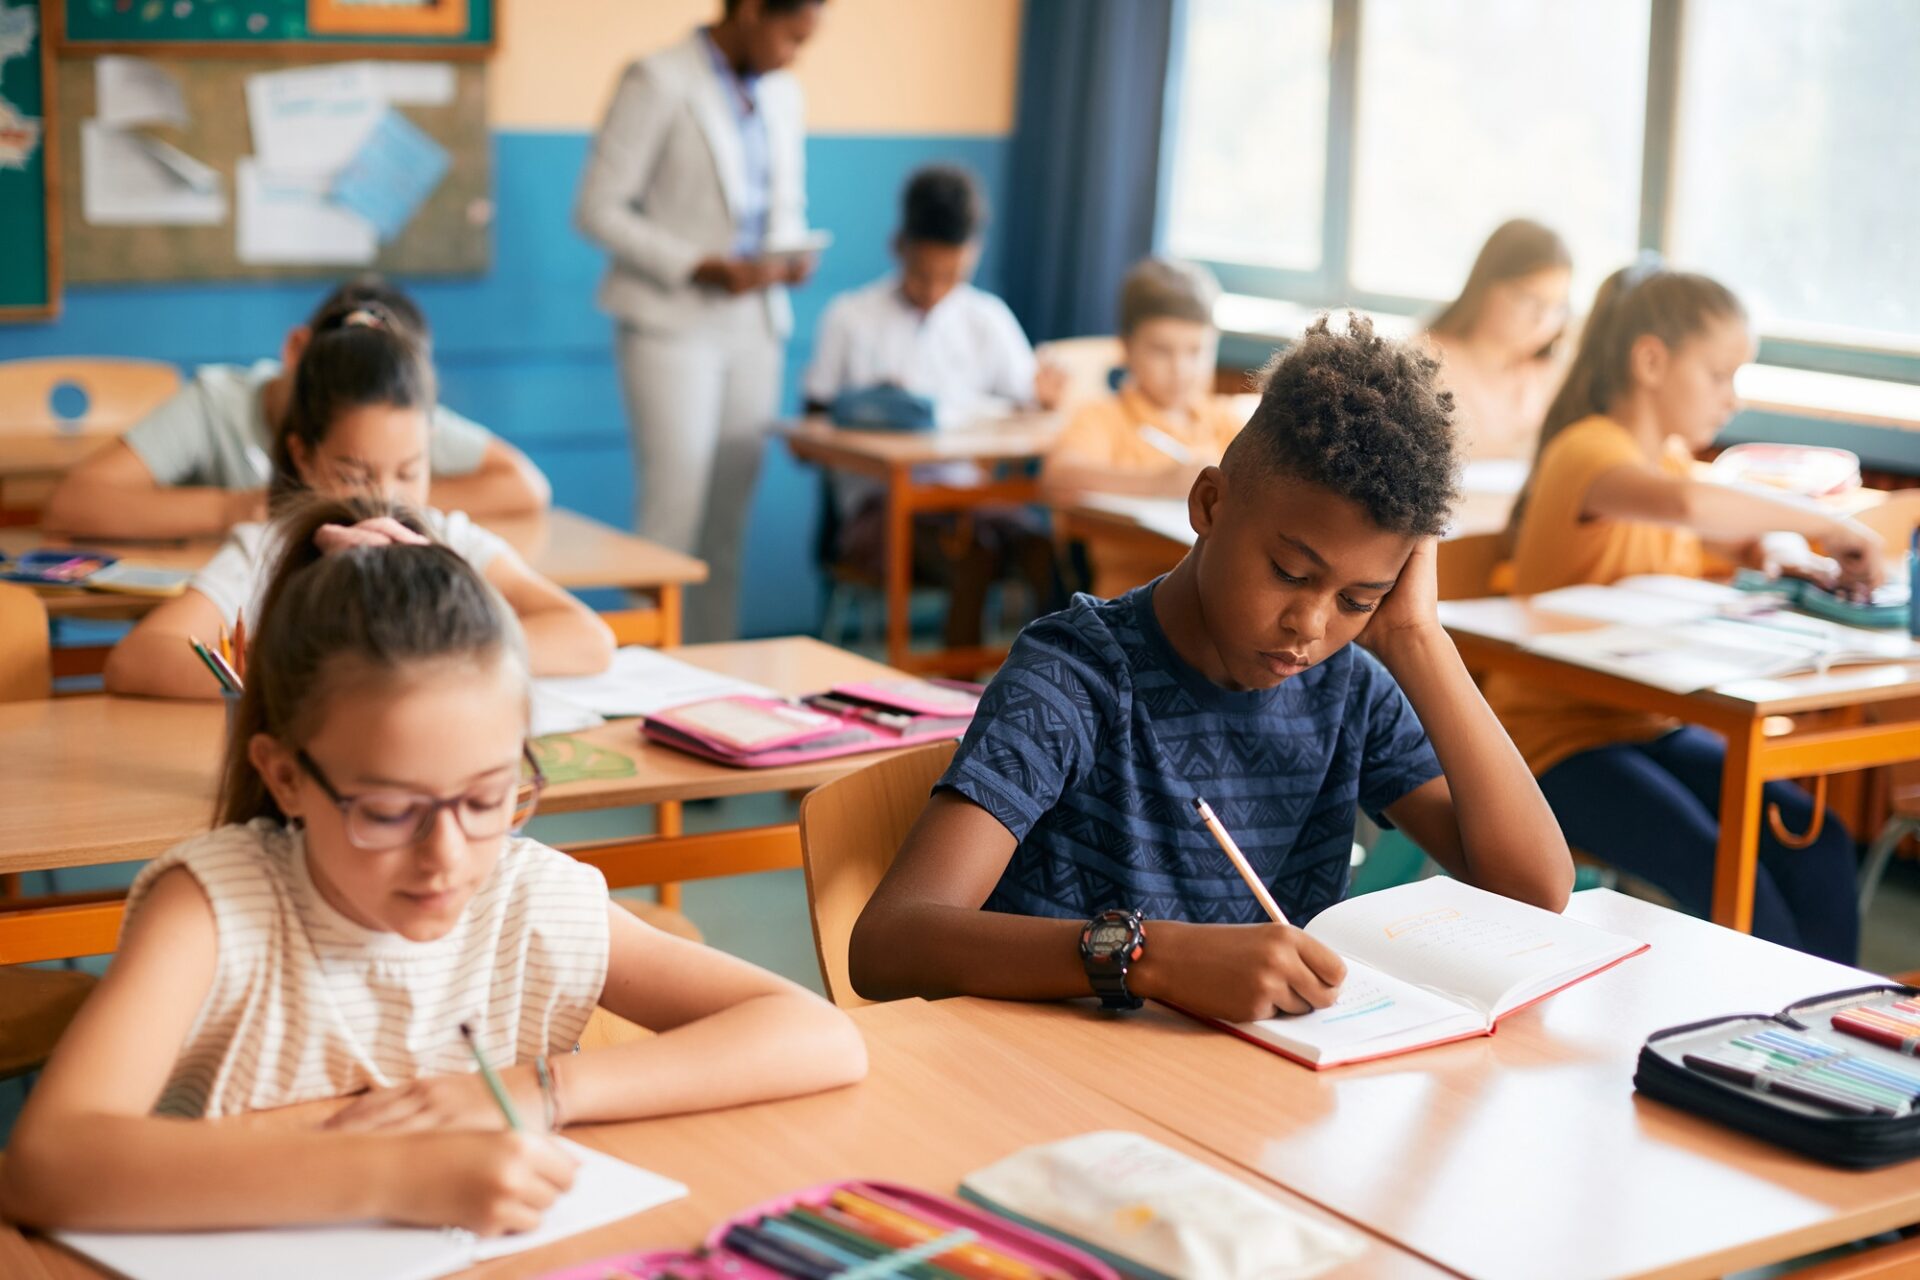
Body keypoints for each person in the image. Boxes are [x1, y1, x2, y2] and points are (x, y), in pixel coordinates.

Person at [0, 495, 866, 1235]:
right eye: (388, 811)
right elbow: (46, 1162)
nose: (448, 856)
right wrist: (395, 1178)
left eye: (486, 799)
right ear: (286, 776)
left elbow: (818, 1036)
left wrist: (538, 1092)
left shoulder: (526, 898)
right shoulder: (214, 909)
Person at [848, 315, 1572, 1019]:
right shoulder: (1076, 677)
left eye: (1359, 599)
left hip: (1249, 1081)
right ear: (1210, 504)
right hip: (1056, 1076)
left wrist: (1418, 637)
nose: (1310, 626)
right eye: (1290, 573)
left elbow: (1535, 892)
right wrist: (1149, 957)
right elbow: (891, 942)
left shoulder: (1347, 689)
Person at [1494, 261, 1879, 963]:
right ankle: (1771, 1022)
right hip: (1553, 746)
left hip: (1649, 725)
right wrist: (1829, 524)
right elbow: (1689, 507)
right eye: (1718, 375)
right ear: (1651, 362)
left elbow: (1735, 530)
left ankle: (1830, 1017)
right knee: (1731, 875)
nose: (1732, 399)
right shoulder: (1590, 450)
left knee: (1816, 840)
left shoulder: (1667, 460)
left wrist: (1782, 545)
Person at [104, 301, 612, 698]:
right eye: (353, 475)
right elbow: (138, 659)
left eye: (409, 472)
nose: (385, 500)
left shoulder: (445, 537)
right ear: (303, 457)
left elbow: (587, 637)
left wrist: (434, 659)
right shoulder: (270, 547)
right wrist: (316, 673)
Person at [575, 0, 825, 642]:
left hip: (755, 324)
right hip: (671, 323)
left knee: (726, 527)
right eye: (790, 37)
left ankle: (714, 670)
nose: (794, 57)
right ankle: (645, 670)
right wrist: (697, 265)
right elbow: (598, 208)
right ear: (750, 11)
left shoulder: (783, 95)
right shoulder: (657, 79)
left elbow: (779, 206)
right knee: (672, 517)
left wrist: (789, 255)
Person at [44, 276, 550, 541]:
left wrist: (388, 500)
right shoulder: (217, 402)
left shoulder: (389, 409)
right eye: (353, 471)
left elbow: (524, 485)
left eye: (406, 467)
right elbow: (75, 502)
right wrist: (246, 509)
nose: (361, 399)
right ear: (296, 350)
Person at [805, 164, 1066, 647]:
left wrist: (1047, 399)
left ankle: (1057, 681)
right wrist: (873, 410)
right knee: (973, 554)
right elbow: (810, 428)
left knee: (1042, 549)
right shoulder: (850, 317)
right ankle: (957, 688)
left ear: (973, 255)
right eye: (922, 274)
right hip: (880, 507)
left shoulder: (986, 319)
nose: (933, 291)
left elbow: (1032, 403)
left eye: (950, 276)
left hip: (968, 498)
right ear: (898, 247)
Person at [1042, 257, 1245, 596]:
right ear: (1126, 348)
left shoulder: (1222, 420)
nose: (1181, 369)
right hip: (1129, 601)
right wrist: (1161, 483)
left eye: (1196, 351)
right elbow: (1056, 479)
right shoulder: (1104, 418)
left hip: (1215, 596)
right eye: (1162, 351)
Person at [1423, 219, 1572, 462]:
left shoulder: (1551, 377)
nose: (1542, 319)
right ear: (1486, 285)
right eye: (1529, 299)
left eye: (1558, 306)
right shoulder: (1425, 361)